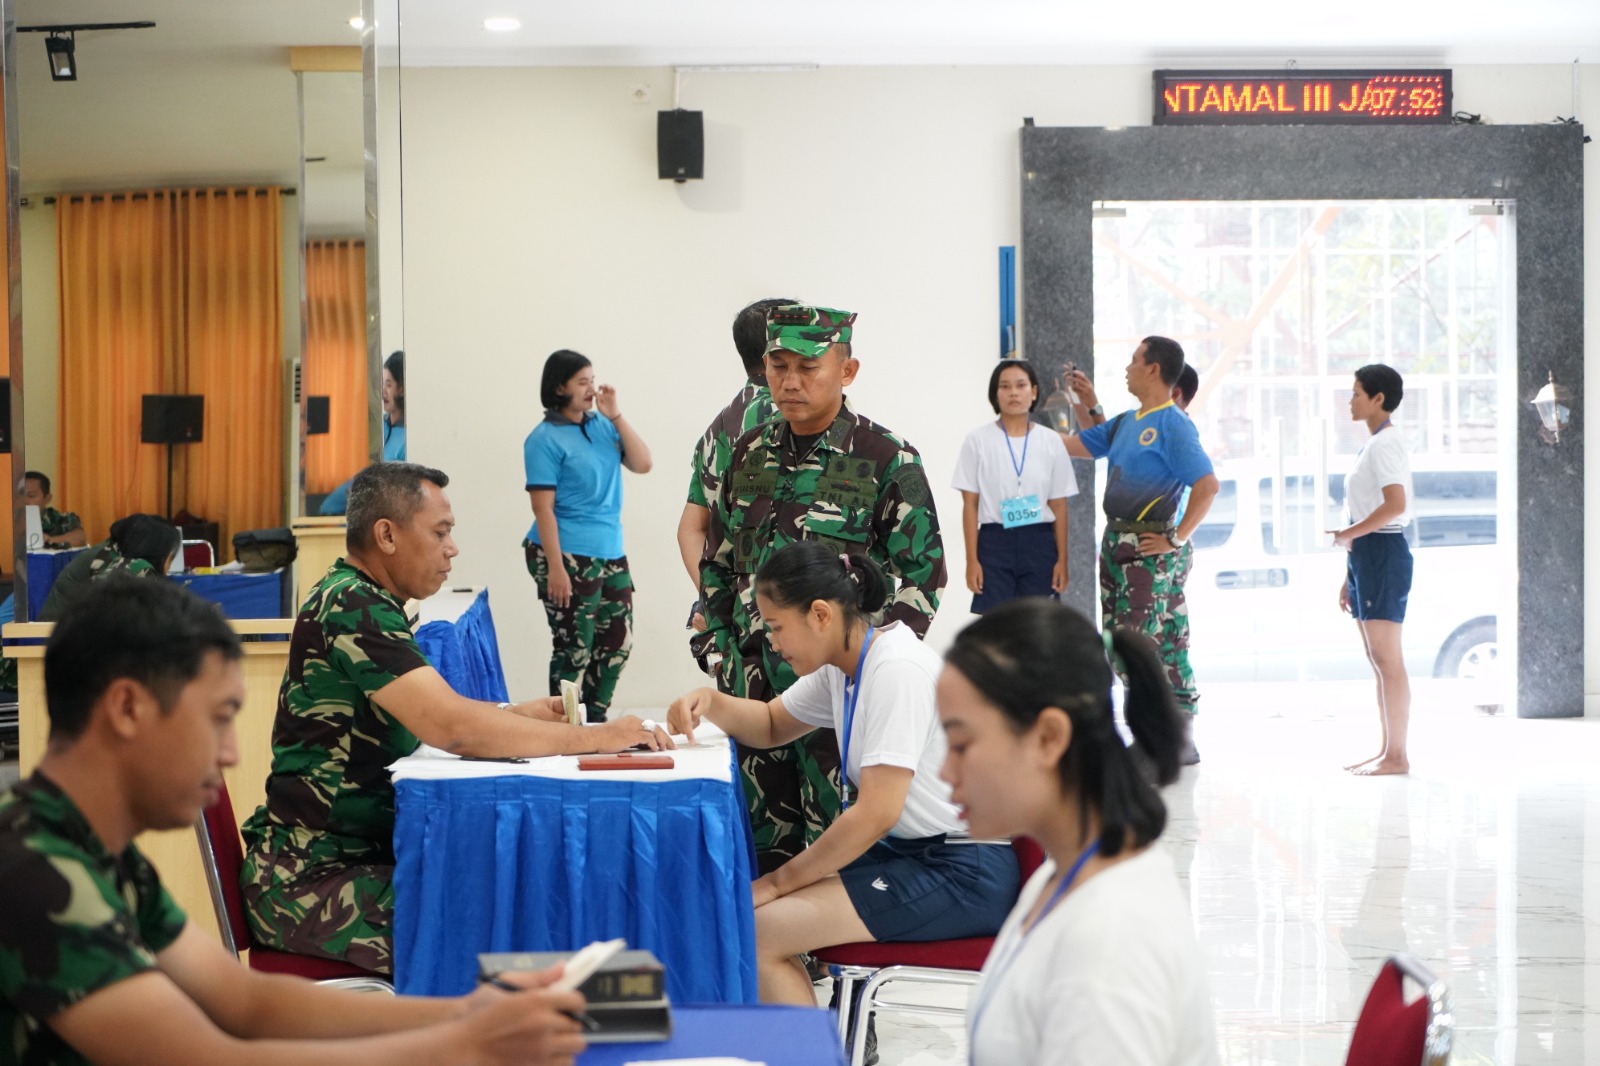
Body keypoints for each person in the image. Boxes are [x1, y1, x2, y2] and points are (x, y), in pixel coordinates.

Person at [0, 576, 589, 1066]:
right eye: (218, 719)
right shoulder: (31, 869)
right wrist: (463, 1043)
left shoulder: (96, 851)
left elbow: (244, 1002)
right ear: (128, 707)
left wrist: (467, 1012)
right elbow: (205, 1057)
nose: (231, 753)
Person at [242, 462, 669, 973]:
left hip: (355, 862)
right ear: (387, 535)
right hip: (310, 884)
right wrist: (597, 737)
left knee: (517, 893)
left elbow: (440, 712)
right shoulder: (352, 606)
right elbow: (453, 728)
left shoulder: (366, 599)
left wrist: (518, 713)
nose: (453, 548)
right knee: (503, 927)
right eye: (440, 532)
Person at [668, 543, 1017, 1006]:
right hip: (915, 856)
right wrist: (709, 702)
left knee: (756, 928)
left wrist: (774, 883)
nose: (772, 642)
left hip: (962, 871)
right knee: (752, 918)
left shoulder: (895, 670)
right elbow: (772, 724)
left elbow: (875, 814)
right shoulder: (847, 665)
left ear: (819, 614)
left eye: (776, 627)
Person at [694, 304, 946, 874]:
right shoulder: (747, 453)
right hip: (756, 693)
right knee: (758, 853)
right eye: (777, 365)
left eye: (807, 367)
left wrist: (864, 667)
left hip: (838, 703)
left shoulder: (886, 459)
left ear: (847, 371)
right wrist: (722, 650)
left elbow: (921, 578)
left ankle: (829, 962)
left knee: (834, 857)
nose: (789, 381)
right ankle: (778, 961)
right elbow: (719, 563)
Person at [937, 598, 1219, 1065]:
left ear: (1049, 737)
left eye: (961, 744)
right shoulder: (1062, 876)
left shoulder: (1109, 944)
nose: (945, 771)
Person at [1063, 337, 1218, 764]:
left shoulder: (1173, 424)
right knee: (1161, 641)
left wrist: (1176, 538)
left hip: (1150, 547)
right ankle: (1176, 739)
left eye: (1134, 360)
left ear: (1154, 369)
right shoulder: (1129, 421)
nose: (1127, 367)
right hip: (1118, 541)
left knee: (1134, 645)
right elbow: (1080, 443)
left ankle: (1158, 739)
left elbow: (1208, 486)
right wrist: (1017, 434)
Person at [524, 349, 653, 722]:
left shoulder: (601, 426)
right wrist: (556, 569)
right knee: (574, 649)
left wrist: (616, 414)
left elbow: (643, 463)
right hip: (564, 553)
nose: (591, 388)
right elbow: (542, 508)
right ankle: (562, 724)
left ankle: (594, 721)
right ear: (559, 386)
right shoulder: (543, 439)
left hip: (610, 551)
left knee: (617, 643)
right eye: (582, 382)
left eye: (592, 381)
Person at [675, 296, 796, 627]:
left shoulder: (719, 427)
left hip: (743, 623)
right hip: (794, 625)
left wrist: (716, 602)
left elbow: (690, 528)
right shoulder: (797, 418)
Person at [1331, 364, 1414, 777]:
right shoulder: (1375, 444)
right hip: (1367, 553)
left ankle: (1396, 756)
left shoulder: (1386, 444)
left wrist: (1349, 533)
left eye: (1356, 393)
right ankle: (1387, 751)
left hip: (1382, 550)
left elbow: (1394, 506)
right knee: (1378, 657)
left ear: (1378, 398)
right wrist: (1350, 570)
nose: (1351, 400)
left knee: (1387, 657)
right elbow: (1368, 508)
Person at [952, 359, 1076, 611]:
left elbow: (1060, 506)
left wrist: (1062, 560)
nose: (1013, 393)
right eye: (1005, 387)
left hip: (1039, 541)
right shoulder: (977, 440)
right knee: (997, 623)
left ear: (1034, 392)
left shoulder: (1051, 441)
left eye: (1021, 385)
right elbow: (970, 504)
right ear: (995, 394)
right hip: (994, 542)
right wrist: (971, 560)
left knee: (1040, 622)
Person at [37, 514, 180, 622]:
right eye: (170, 558)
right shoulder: (129, 566)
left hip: (65, 639)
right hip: (65, 644)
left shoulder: (111, 551)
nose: (168, 567)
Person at [319, 350, 407, 515]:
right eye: (382, 384)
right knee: (327, 508)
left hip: (381, 499)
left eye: (389, 385)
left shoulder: (407, 437)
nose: (383, 392)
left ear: (401, 389)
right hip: (362, 486)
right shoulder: (380, 425)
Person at [20, 470, 88, 549]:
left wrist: (49, 540)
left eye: (31, 496)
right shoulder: (8, 520)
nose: (24, 501)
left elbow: (79, 538)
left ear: (47, 499)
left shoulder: (61, 518)